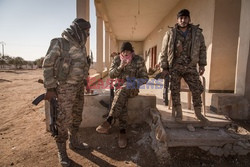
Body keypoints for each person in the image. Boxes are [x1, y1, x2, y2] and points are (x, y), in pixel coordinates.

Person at [42, 18, 91, 166]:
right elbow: (47, 65)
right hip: (63, 89)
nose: (88, 35)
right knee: (62, 120)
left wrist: (85, 82)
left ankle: (74, 142)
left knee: (76, 116)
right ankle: (61, 151)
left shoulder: (82, 46)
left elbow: (83, 66)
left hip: (78, 88)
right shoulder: (60, 43)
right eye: (86, 31)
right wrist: (50, 88)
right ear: (78, 30)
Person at [96, 42, 149, 148]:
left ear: (132, 51)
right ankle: (122, 132)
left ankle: (109, 120)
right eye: (123, 52)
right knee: (122, 98)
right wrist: (120, 67)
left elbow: (145, 78)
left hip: (132, 88)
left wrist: (132, 82)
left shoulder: (138, 60)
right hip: (119, 89)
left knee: (123, 89)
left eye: (128, 52)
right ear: (121, 52)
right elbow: (111, 74)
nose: (125, 54)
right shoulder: (116, 59)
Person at [159, 9, 208, 123]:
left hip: (191, 66)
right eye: (181, 18)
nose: (183, 20)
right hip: (175, 66)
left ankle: (198, 113)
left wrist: (202, 64)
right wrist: (165, 67)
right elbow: (164, 51)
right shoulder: (170, 33)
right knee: (175, 89)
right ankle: (178, 112)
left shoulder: (197, 33)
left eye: (185, 18)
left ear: (189, 19)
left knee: (197, 88)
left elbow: (202, 49)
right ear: (177, 20)